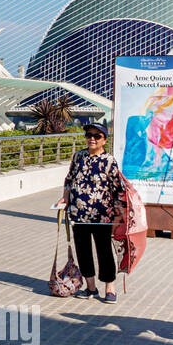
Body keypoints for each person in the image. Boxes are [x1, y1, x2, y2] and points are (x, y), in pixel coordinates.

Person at [57, 121, 124, 302]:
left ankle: (110, 287)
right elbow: (69, 179)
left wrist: (118, 214)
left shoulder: (109, 161)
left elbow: (117, 188)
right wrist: (65, 198)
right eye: (89, 135)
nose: (92, 139)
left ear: (104, 140)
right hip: (79, 214)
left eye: (97, 136)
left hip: (102, 215)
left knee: (104, 251)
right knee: (83, 251)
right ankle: (90, 287)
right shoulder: (78, 156)